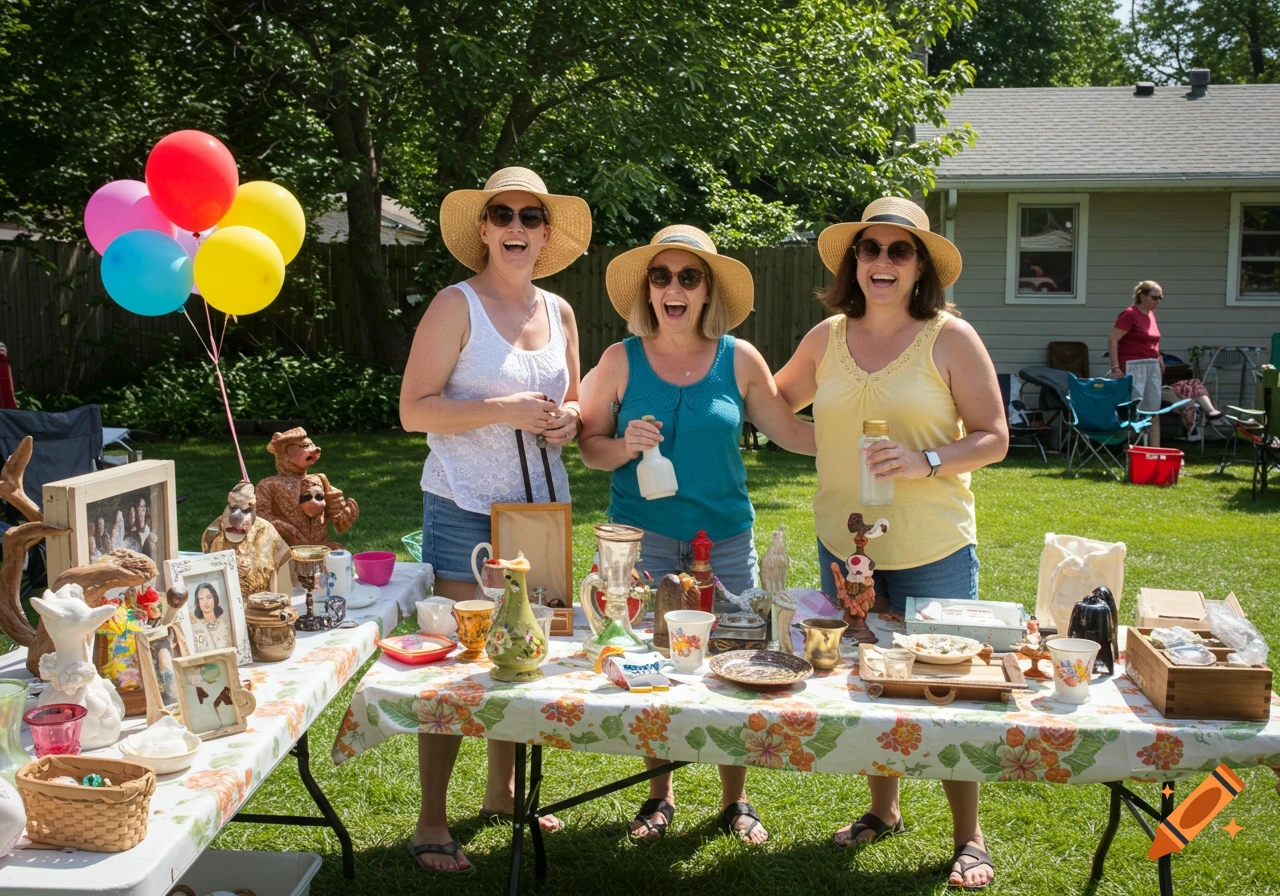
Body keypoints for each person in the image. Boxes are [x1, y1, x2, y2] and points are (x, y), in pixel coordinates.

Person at [775, 197, 1008, 889]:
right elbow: (774, 405)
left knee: (948, 687)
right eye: (869, 249)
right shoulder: (826, 338)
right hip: (847, 551)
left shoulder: (949, 337)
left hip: (933, 545)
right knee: (871, 679)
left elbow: (994, 436)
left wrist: (926, 461)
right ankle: (884, 809)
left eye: (898, 251)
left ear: (919, 266)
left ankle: (969, 835)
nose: (881, 262)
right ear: (855, 261)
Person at [579, 225, 815, 845]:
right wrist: (621, 445)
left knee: (735, 664)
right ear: (648, 291)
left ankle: (735, 800)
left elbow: (790, 432)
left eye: (689, 277)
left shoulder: (739, 358)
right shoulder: (618, 360)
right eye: (662, 277)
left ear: (707, 290)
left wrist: (864, 445)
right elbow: (589, 448)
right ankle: (659, 796)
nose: (674, 288)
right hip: (643, 542)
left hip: (726, 543)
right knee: (649, 664)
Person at [398, 166, 592, 874]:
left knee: (522, 652)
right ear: (483, 228)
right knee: (458, 661)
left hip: (538, 510)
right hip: (462, 507)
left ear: (545, 233)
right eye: (503, 215)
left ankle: (503, 794)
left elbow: (575, 403)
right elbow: (414, 408)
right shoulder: (456, 306)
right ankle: (428, 821)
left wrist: (568, 420)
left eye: (530, 217)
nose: (517, 228)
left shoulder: (560, 312)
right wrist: (501, 410)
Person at [190, 582, 233, 652]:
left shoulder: (225, 623)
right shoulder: (195, 627)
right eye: (201, 598)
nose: (205, 602)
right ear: (197, 602)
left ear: (215, 598)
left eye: (209, 597)